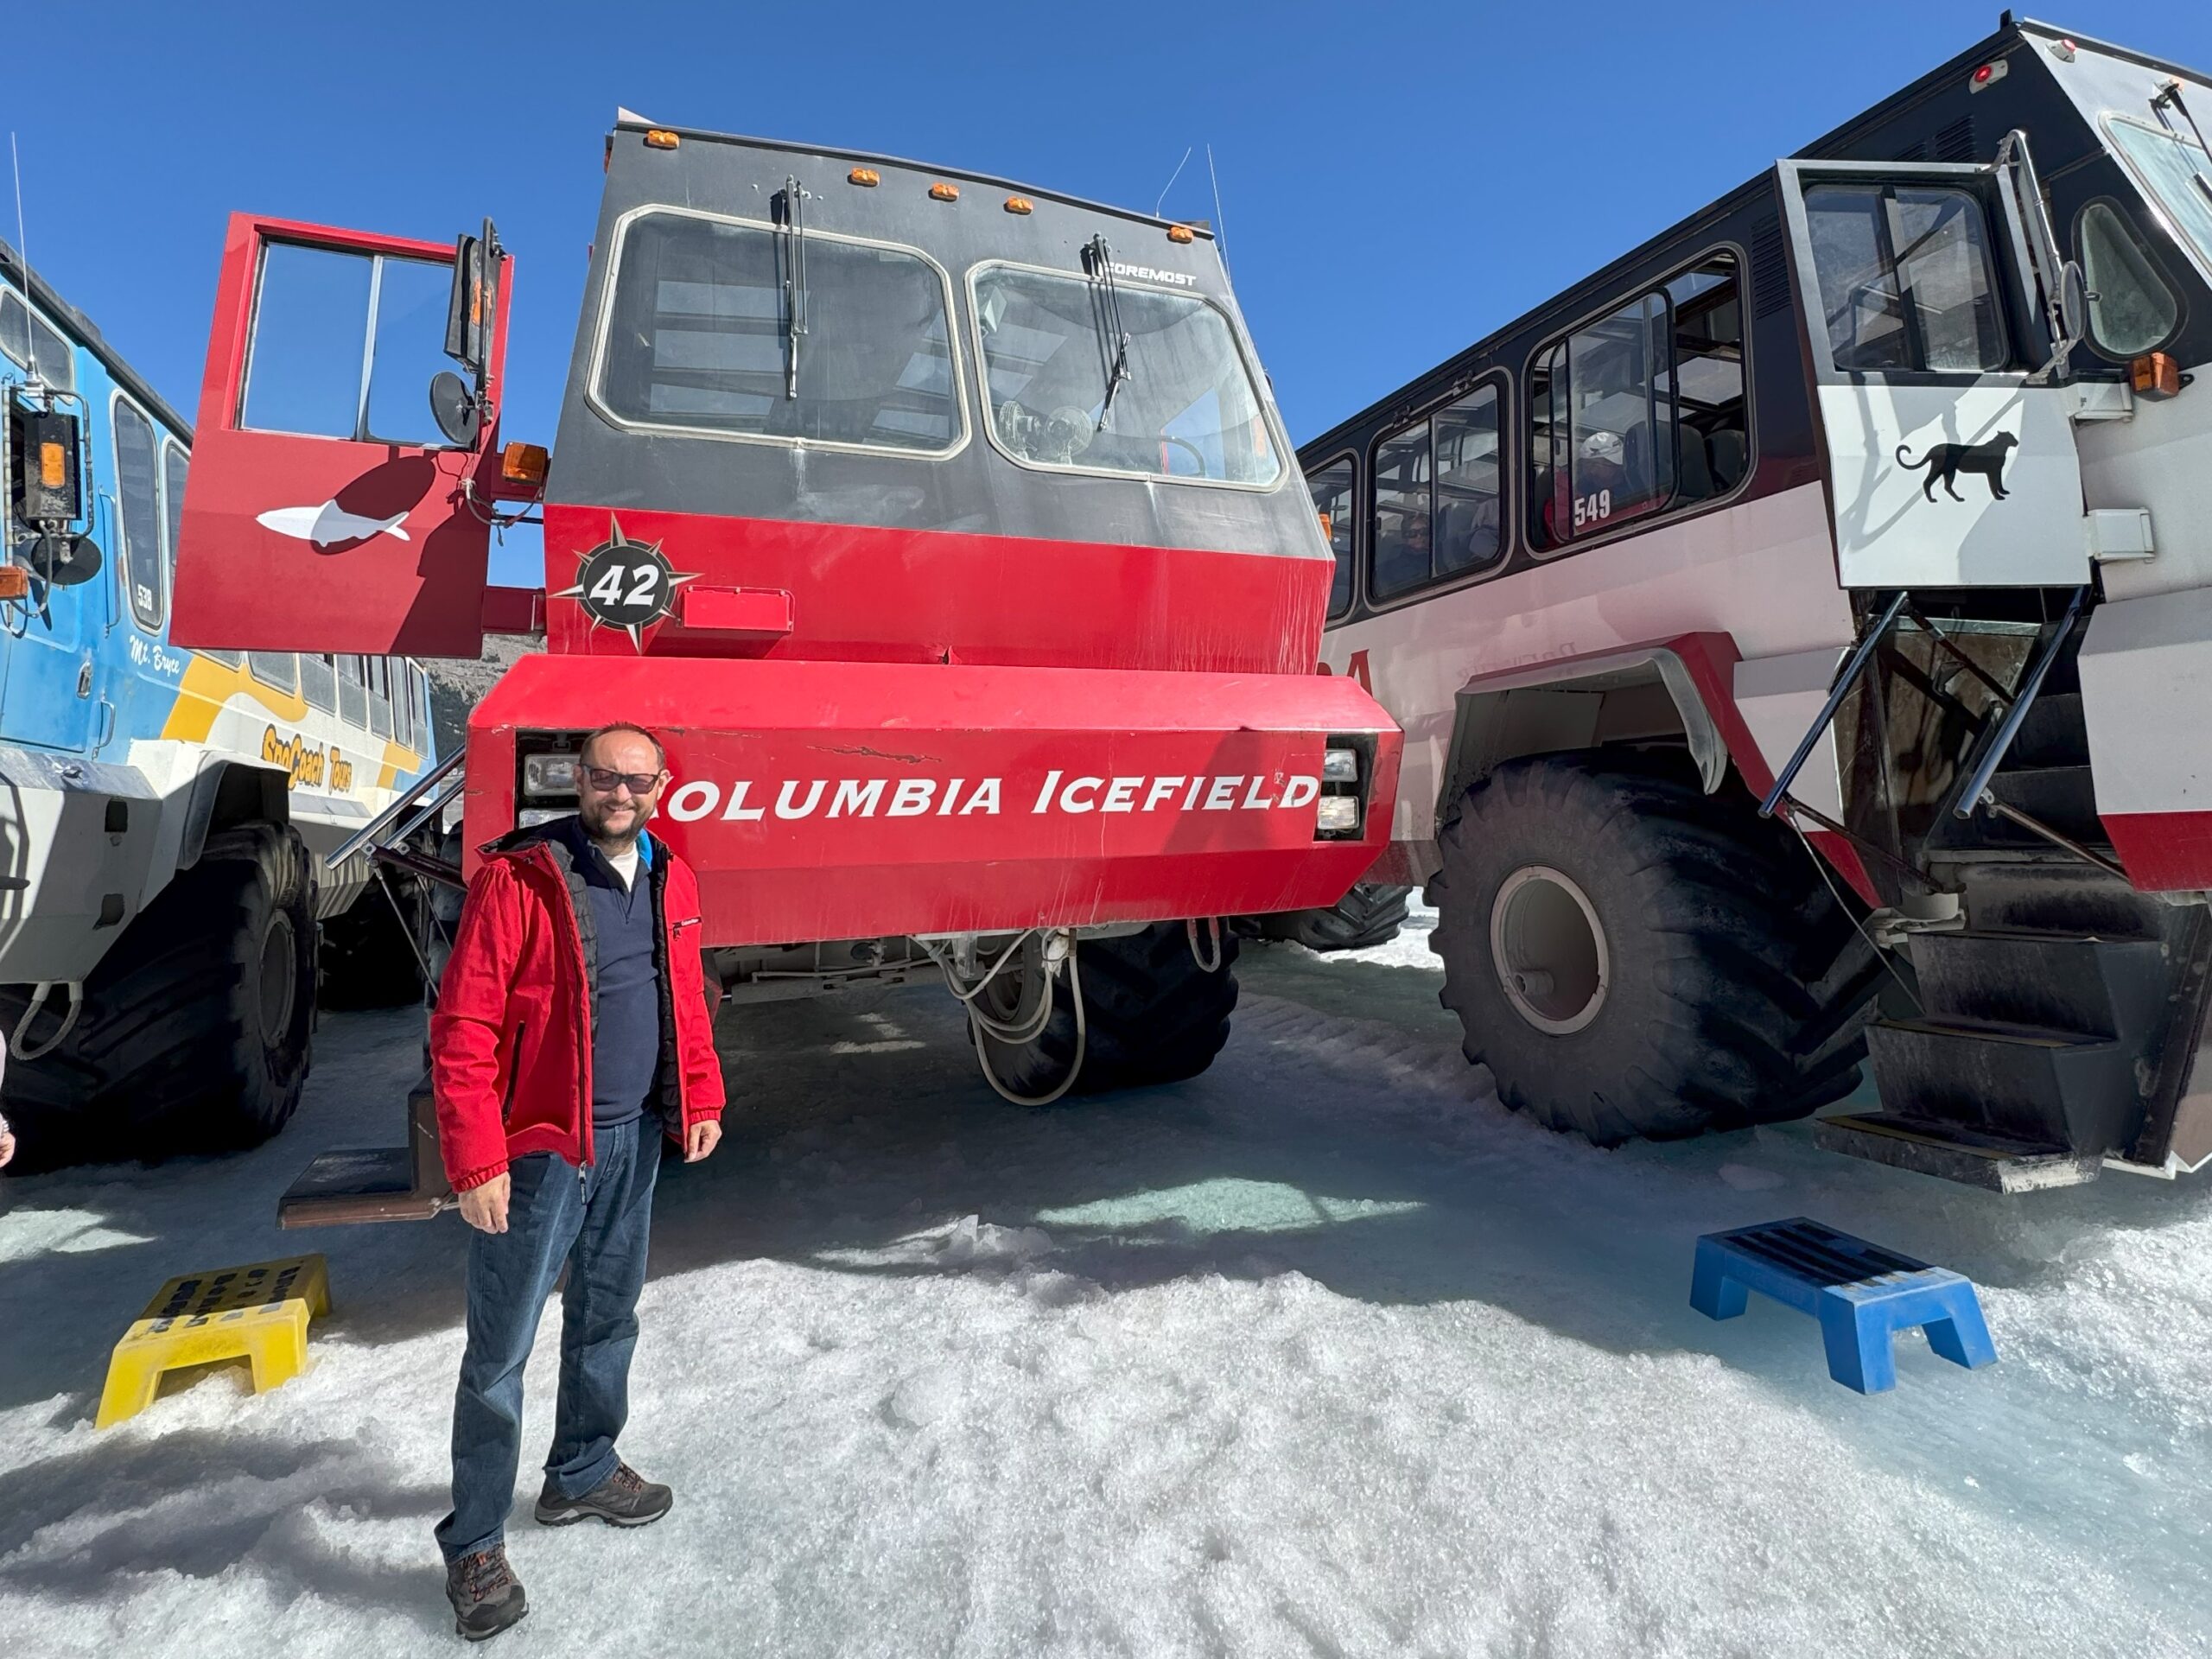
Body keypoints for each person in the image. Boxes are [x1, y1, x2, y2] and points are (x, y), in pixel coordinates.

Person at [429, 721, 726, 1642]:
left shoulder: (671, 874)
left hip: (634, 1136)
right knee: (500, 1354)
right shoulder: (521, 879)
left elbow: (683, 995)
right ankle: (475, 1542)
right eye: (603, 778)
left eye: (637, 781)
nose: (619, 795)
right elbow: (464, 1029)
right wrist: (476, 1159)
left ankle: (583, 1470)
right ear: (579, 780)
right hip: (539, 1151)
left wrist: (700, 1094)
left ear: (662, 786)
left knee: (609, 1314)